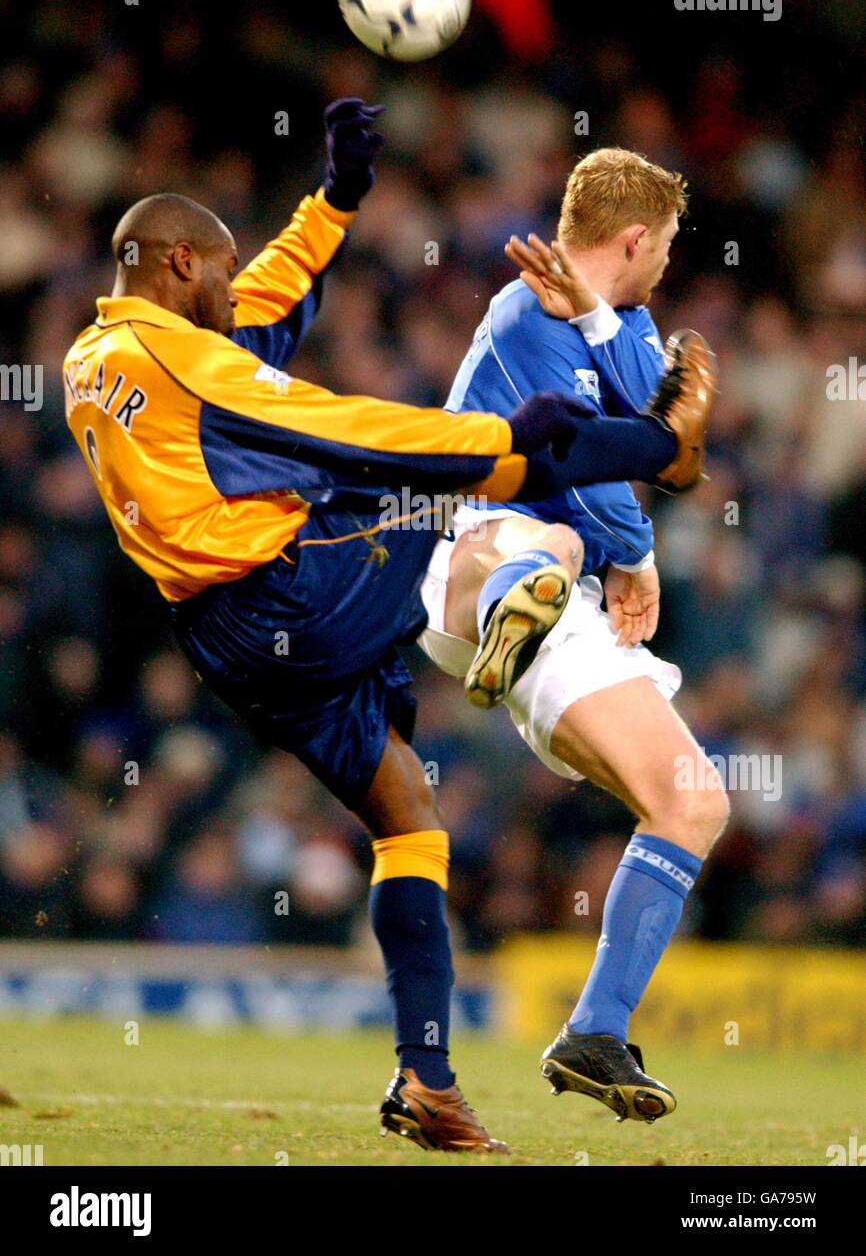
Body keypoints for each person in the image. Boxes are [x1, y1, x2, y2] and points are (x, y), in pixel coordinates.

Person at [64, 110, 713, 1152]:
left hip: (222, 633)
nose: (234, 291)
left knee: (408, 811)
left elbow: (263, 307)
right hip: (293, 589)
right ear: (178, 262)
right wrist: (512, 438)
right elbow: (334, 424)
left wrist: (331, 202)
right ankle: (624, 481)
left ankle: (426, 1080)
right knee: (460, 499)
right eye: (216, 273)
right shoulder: (183, 364)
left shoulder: (109, 352)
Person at [418, 148, 724, 1125]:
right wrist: (633, 551)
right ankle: (521, 596)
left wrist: (603, 322)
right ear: (636, 236)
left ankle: (594, 1030)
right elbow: (580, 466)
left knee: (691, 802)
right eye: (667, 245)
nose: (668, 264)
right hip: (464, 550)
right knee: (541, 528)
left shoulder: (618, 322)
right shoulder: (520, 314)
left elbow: (667, 443)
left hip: (558, 606)